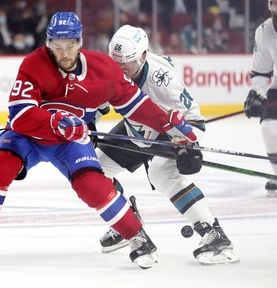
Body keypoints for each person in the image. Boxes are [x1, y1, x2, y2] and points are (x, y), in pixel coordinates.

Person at [0, 12, 198, 270]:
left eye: (69, 45)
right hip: (28, 135)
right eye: (57, 46)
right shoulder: (33, 64)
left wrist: (171, 127)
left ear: (80, 42)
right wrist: (54, 122)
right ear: (48, 44)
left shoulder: (104, 70)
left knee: (92, 185)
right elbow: (19, 115)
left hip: (70, 139)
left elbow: (138, 105)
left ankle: (137, 236)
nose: (63, 53)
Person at [95, 24, 239, 265]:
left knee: (162, 174)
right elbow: (98, 103)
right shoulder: (113, 69)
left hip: (166, 131)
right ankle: (125, 222)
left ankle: (215, 237)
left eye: (126, 64)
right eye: (115, 62)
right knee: (94, 170)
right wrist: (84, 125)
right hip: (135, 128)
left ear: (142, 56)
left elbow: (195, 123)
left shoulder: (163, 80)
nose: (120, 70)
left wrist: (185, 146)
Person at [244, 0, 277, 198]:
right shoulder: (265, 32)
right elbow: (261, 71)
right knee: (268, 128)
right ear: (270, 6)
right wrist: (259, 94)